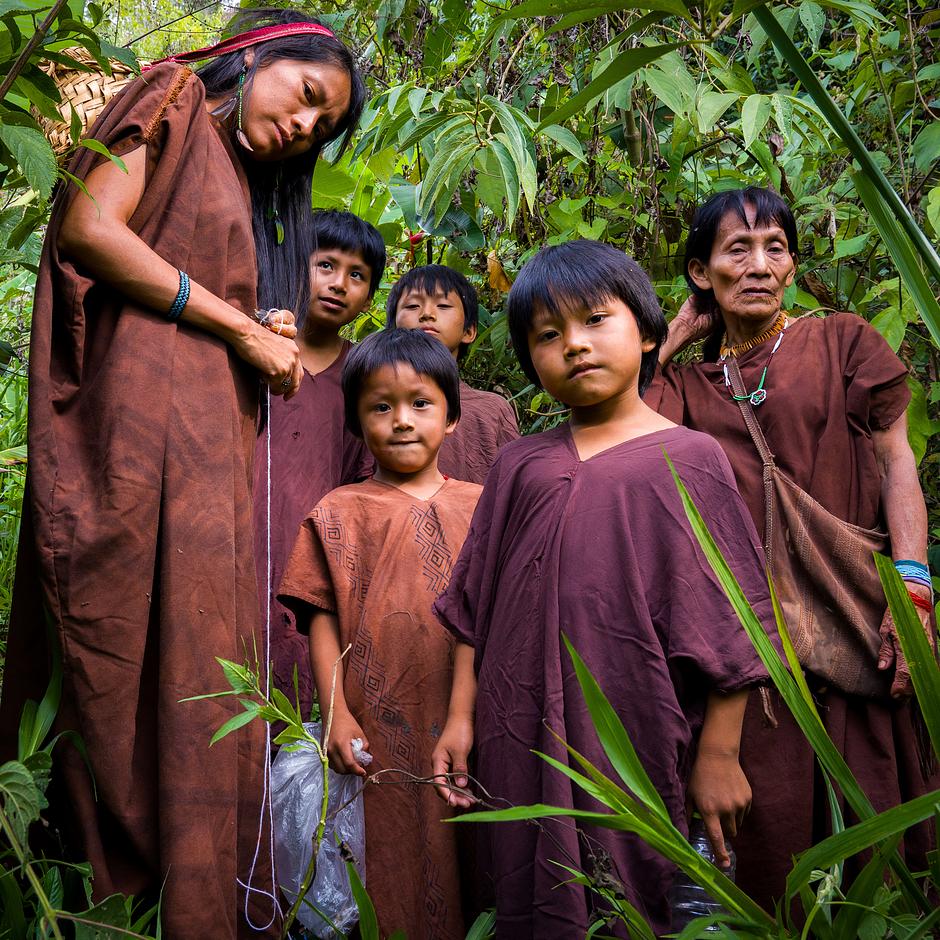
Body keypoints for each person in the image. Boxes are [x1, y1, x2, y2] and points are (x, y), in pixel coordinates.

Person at [0, 11, 365, 938]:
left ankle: (198, 901)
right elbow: (89, 226)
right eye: (308, 96)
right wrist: (239, 325)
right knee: (115, 647)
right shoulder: (173, 93)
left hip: (205, 465)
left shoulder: (239, 180)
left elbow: (207, 295)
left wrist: (260, 329)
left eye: (322, 130)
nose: (302, 126)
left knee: (196, 665)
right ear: (262, 53)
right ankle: (92, 890)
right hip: (128, 442)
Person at [431, 240, 776, 937]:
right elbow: (475, 609)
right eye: (548, 336)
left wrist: (719, 753)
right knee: (527, 885)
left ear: (647, 332)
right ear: (531, 361)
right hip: (518, 729)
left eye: (595, 320)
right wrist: (461, 719)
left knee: (638, 893)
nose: (575, 346)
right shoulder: (520, 465)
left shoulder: (692, 459)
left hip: (639, 732)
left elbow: (734, 626)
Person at [645, 186, 937, 910]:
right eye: (736, 249)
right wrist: (672, 339)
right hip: (752, 652)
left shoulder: (842, 340)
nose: (759, 264)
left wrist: (914, 590)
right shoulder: (682, 387)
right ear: (699, 272)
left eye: (775, 248)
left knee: (880, 833)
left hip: (859, 618)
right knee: (772, 841)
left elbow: (899, 459)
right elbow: (624, 438)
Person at [278, 329, 481, 939]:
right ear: (357, 422)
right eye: (379, 406)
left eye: (420, 403)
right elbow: (320, 617)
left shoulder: (484, 505)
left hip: (470, 712)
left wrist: (464, 712)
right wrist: (337, 714)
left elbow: (486, 617)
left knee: (476, 844)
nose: (400, 421)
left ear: (451, 417)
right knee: (388, 851)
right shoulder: (338, 511)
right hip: (378, 722)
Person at [254, 209, 384, 723]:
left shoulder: (365, 376)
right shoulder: (256, 346)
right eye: (325, 265)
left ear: (370, 296)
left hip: (316, 556)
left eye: (357, 275)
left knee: (303, 685)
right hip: (243, 538)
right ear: (295, 265)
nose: (339, 284)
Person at [388, 264, 519, 482]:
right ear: (392, 328)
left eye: (443, 305)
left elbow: (513, 489)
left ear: (469, 331)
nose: (427, 314)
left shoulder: (492, 410)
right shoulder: (373, 403)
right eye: (412, 306)